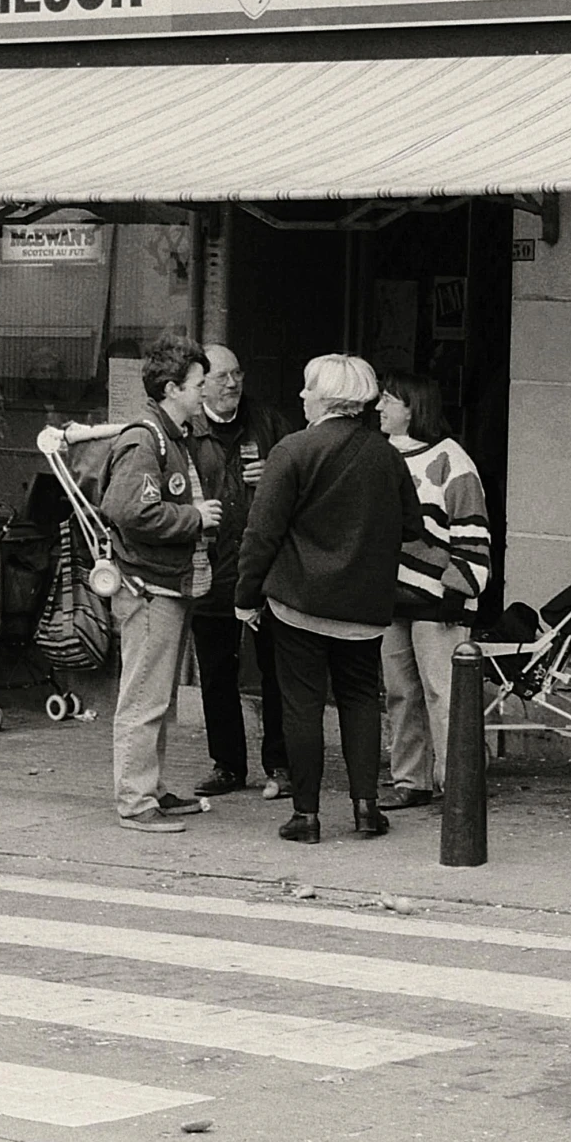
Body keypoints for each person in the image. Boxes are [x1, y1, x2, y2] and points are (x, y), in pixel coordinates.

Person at [235, 354, 424, 845]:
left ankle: (307, 815)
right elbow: (411, 526)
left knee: (302, 706)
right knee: (361, 700)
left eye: (308, 389)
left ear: (328, 397)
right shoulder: (386, 455)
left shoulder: (292, 450)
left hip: (298, 602)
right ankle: (366, 808)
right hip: (363, 606)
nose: (301, 396)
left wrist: (245, 596)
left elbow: (262, 534)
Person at [100, 335, 225, 834]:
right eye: (198, 384)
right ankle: (135, 800)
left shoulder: (171, 434)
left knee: (158, 697)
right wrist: (192, 517)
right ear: (172, 388)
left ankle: (150, 788)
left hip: (166, 585)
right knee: (144, 698)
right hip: (149, 588)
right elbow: (127, 509)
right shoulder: (146, 438)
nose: (205, 393)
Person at [375, 369, 494, 811]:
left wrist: (458, 589)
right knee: (400, 693)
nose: (379, 407)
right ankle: (411, 780)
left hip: (439, 599)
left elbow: (474, 534)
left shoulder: (452, 461)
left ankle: (458, 782)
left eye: (389, 400)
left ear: (413, 408)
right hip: (391, 596)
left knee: (445, 693)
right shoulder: (381, 454)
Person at [184, 342, 294, 799]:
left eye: (238, 374)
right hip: (210, 567)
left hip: (266, 571)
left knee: (277, 670)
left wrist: (276, 476)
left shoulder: (269, 422)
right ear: (201, 383)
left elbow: (303, 483)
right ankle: (227, 764)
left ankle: (281, 766)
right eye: (221, 376)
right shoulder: (186, 430)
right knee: (215, 672)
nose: (232, 384)